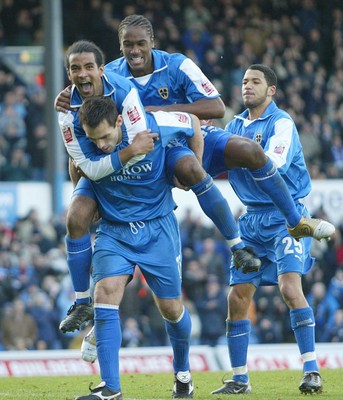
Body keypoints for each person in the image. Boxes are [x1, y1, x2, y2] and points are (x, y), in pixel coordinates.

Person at [72, 14, 334, 363]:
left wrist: (157, 111)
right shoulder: (112, 75)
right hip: (140, 159)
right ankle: (95, 318)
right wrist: (68, 100)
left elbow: (215, 107)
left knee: (248, 151)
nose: (134, 51)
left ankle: (295, 219)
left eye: (140, 44)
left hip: (183, 141)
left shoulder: (177, 65)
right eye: (128, 45)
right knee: (114, 235)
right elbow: (85, 95)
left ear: (152, 42)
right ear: (119, 47)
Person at [56, 35, 264, 334]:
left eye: (89, 66)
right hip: (104, 169)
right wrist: (90, 191)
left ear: (101, 69)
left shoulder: (125, 90)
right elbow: (81, 164)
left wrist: (197, 157)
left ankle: (238, 246)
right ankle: (81, 302)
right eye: (76, 69)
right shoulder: (67, 109)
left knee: (192, 169)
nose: (83, 73)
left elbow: (156, 139)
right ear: (70, 74)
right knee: (76, 215)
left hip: (153, 153)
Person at [210, 64, 332, 396]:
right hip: (250, 221)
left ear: (271, 90)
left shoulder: (282, 124)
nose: (247, 86)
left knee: (289, 288)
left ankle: (311, 371)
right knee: (237, 296)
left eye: (255, 81)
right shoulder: (235, 125)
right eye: (245, 81)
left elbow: (270, 164)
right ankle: (239, 379)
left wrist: (229, 149)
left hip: (285, 217)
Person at [75, 95, 199, 399]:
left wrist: (192, 171)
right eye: (95, 139)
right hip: (114, 230)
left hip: (157, 228)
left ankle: (182, 372)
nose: (101, 145)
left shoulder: (152, 127)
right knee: (104, 294)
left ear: (120, 121)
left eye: (106, 136)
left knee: (170, 309)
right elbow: (78, 167)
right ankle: (111, 388)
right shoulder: (83, 141)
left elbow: (194, 123)